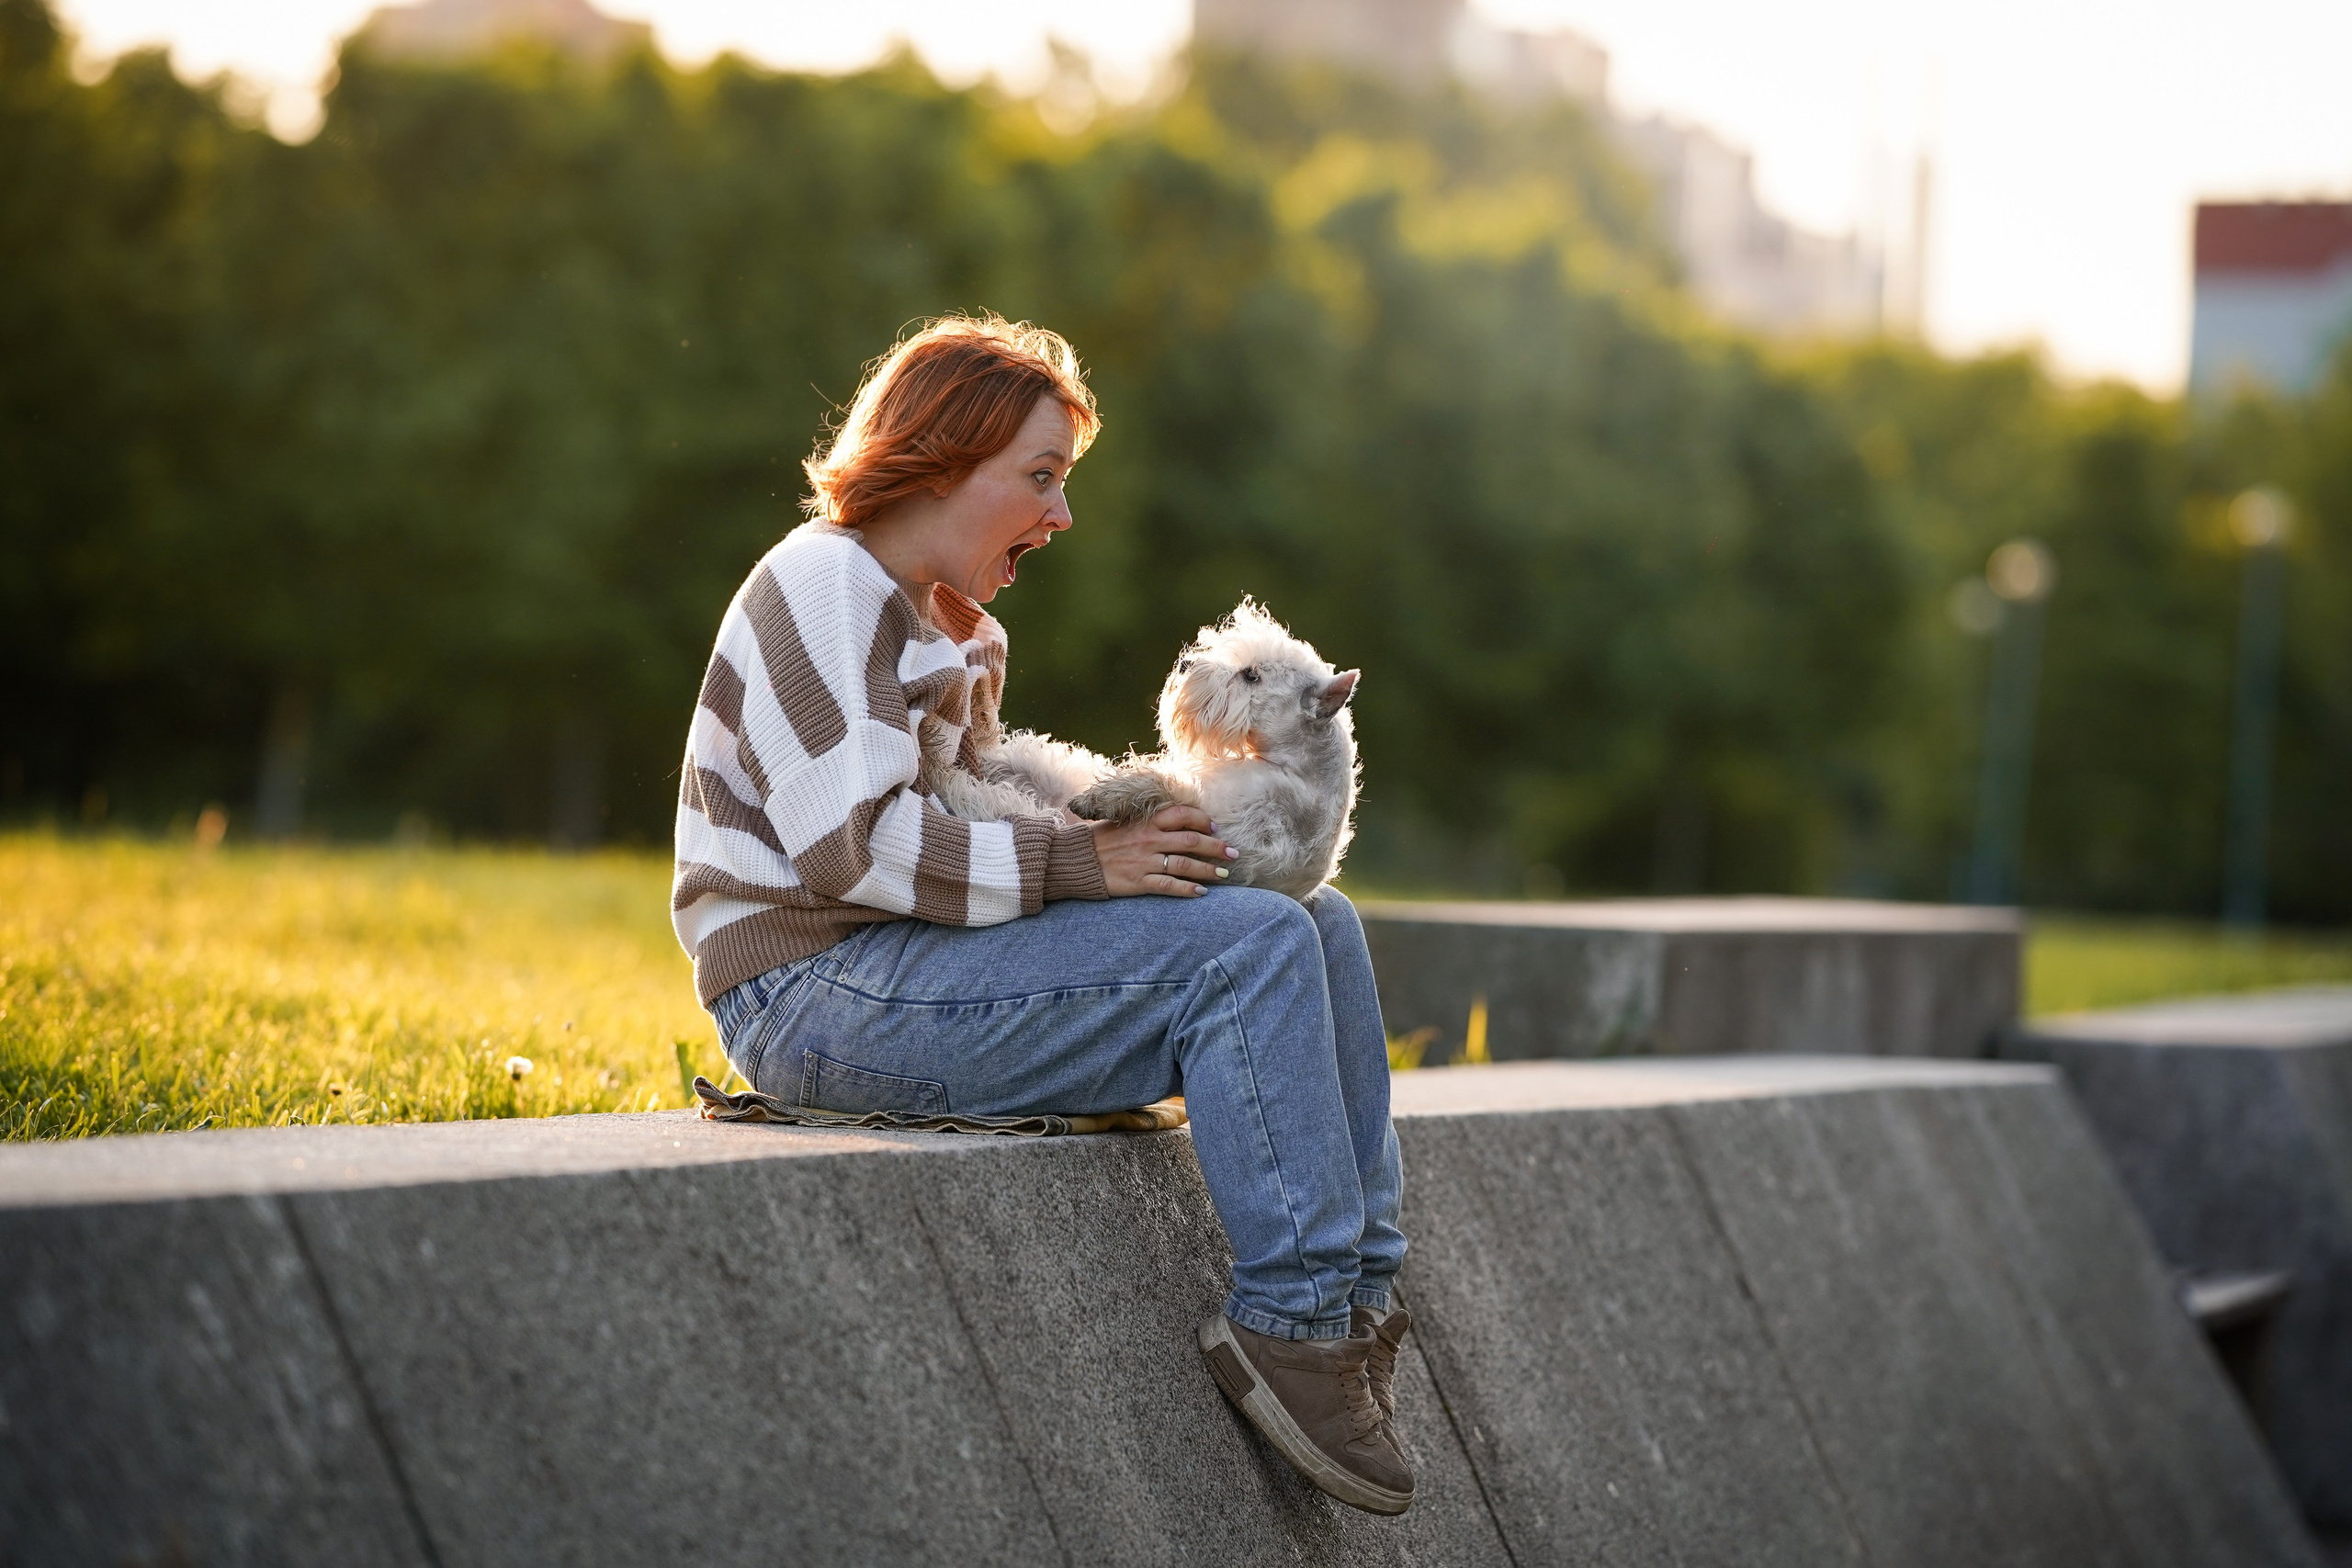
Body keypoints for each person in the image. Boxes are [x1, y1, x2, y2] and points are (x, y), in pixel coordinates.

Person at [671, 314, 1414, 1516]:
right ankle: (1293, 1323)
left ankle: (1361, 1302)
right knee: (1257, 951)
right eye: (1042, 479)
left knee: (1313, 922)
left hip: (913, 963)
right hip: (815, 993)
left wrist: (1140, 838)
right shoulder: (824, 584)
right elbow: (854, 851)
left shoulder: (944, 620)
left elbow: (981, 802)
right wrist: (1087, 862)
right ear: (941, 458)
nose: (1061, 516)